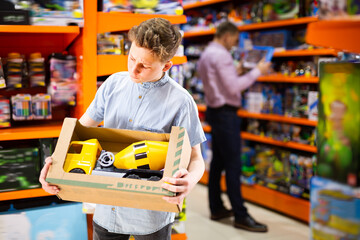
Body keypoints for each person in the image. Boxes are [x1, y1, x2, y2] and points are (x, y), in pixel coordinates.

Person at [39, 18, 206, 240]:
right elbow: (76, 131)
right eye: (131, 58)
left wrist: (190, 181)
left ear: (166, 66)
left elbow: (196, 157)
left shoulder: (181, 101)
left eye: (144, 66)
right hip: (107, 209)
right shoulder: (113, 84)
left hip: (150, 215)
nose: (133, 69)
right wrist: (52, 166)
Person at [197, 21, 272, 232]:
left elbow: (218, 82)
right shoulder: (221, 55)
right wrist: (257, 70)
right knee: (233, 164)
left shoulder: (207, 53)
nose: (234, 44)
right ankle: (240, 214)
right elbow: (233, 88)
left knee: (219, 162)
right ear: (228, 36)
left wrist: (236, 71)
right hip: (226, 114)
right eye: (235, 40)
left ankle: (217, 207)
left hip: (215, 111)